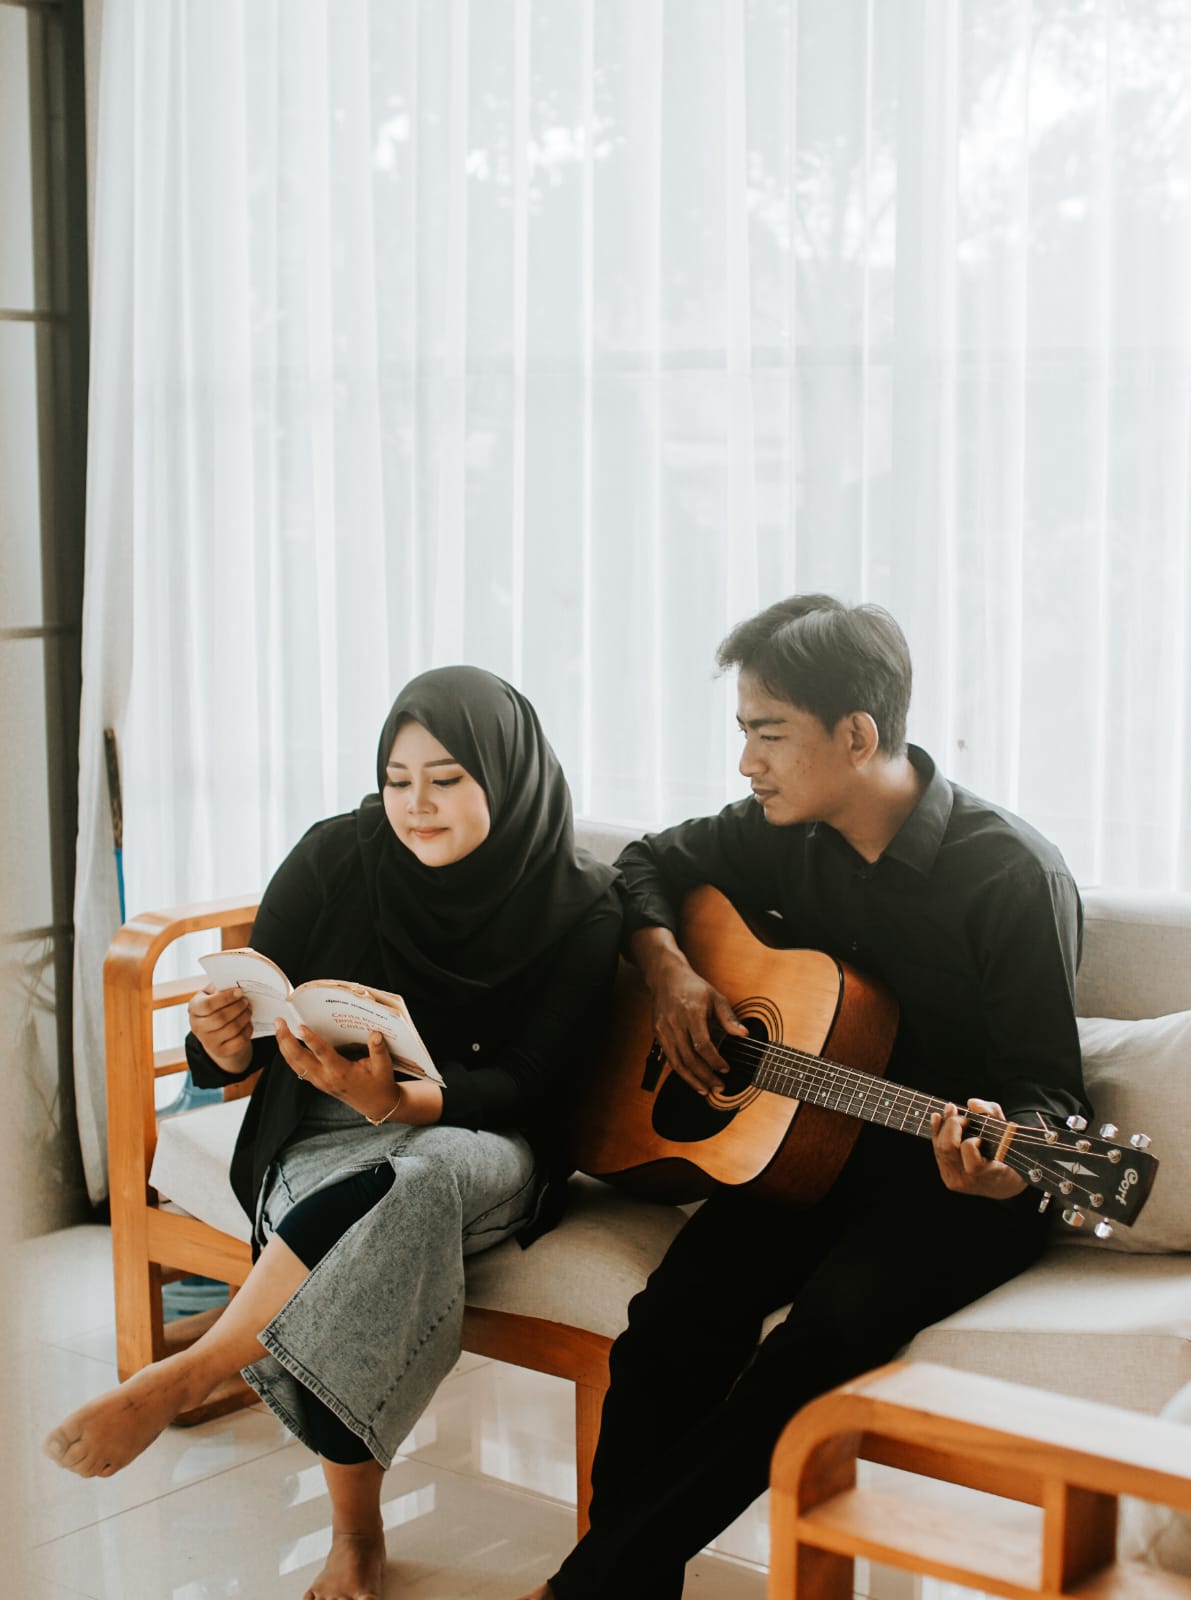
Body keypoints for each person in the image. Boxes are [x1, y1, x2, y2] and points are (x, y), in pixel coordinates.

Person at [518, 593, 1089, 1600]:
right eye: (743, 732)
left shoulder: (1009, 875)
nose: (746, 762)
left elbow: (1046, 1097)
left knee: (813, 1345)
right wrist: (670, 975)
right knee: (670, 1326)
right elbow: (643, 864)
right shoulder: (780, 832)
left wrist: (1003, 1166)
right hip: (805, 1150)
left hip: (953, 1189)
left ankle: (587, 1588)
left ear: (857, 736)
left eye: (767, 733)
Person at [45, 666, 621, 1600]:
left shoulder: (582, 903)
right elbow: (249, 1020)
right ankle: (354, 1535)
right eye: (397, 779)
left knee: (420, 1179)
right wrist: (218, 1045)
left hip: (480, 1140)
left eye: (446, 779)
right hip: (317, 1124)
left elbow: (530, 1081)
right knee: (381, 1217)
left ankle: (196, 1375)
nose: (415, 804)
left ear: (506, 776)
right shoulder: (336, 856)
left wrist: (401, 1102)